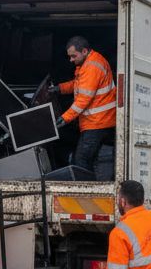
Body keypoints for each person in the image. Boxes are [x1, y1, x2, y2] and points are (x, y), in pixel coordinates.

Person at [49, 36, 117, 174]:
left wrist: (64, 118)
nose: (71, 60)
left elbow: (83, 100)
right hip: (100, 120)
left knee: (82, 160)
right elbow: (79, 85)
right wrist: (59, 89)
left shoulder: (92, 68)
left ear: (84, 51)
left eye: (74, 56)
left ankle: (87, 190)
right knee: (85, 158)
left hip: (97, 121)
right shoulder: (89, 63)